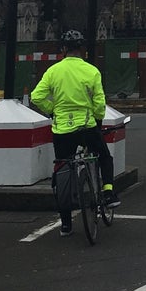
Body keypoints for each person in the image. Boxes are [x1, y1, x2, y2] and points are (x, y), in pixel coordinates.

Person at [30, 30, 117, 236]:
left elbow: (36, 96)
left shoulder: (53, 71)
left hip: (62, 129)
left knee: (63, 169)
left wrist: (52, 110)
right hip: (86, 126)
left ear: (63, 50)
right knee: (104, 156)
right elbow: (99, 102)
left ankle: (66, 223)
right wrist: (97, 120)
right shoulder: (92, 71)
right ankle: (108, 193)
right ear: (82, 50)